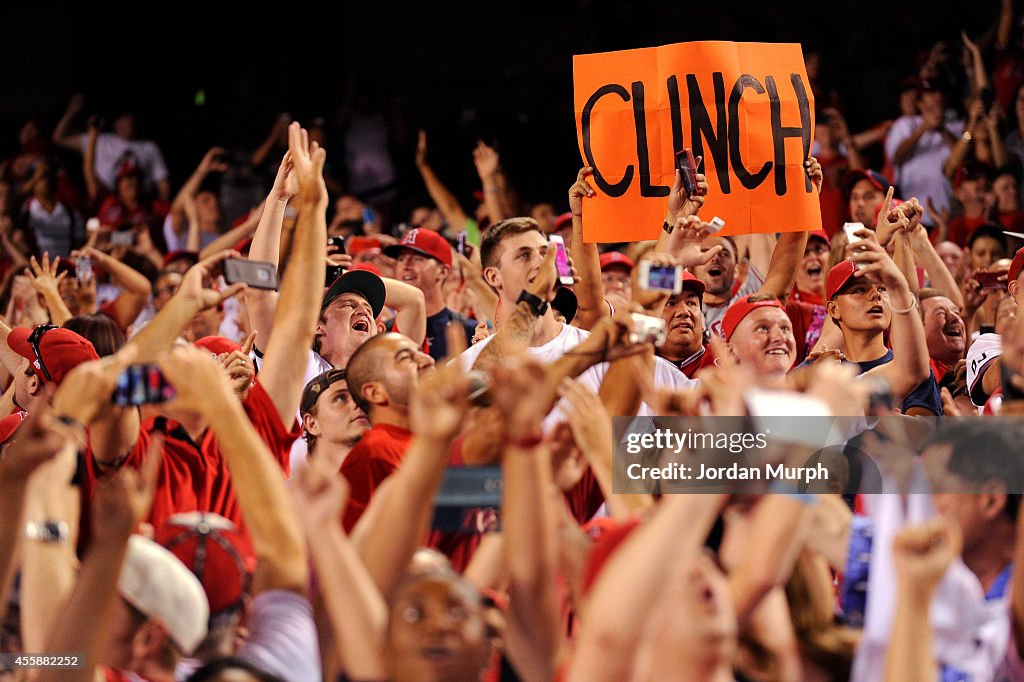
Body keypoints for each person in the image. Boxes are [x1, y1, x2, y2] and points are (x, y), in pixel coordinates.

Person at [822, 224, 936, 414]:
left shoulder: (913, 362)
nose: (875, 295)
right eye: (859, 289)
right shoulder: (819, 371)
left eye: (882, 288)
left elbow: (924, 433)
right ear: (833, 309)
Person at [339, 332, 435, 530]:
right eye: (407, 358)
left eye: (421, 352)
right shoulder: (372, 454)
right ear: (375, 392)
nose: (428, 360)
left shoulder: (442, 443)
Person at [51, 97, 171, 202]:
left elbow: (163, 183)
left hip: (141, 203)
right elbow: (59, 139)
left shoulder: (149, 147)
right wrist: (74, 113)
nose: (129, 122)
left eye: (131, 118)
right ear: (115, 122)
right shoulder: (101, 140)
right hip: (106, 199)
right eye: (124, 118)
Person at [383, 228, 476, 359]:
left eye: (417, 258)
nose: (405, 265)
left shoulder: (469, 331)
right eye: (401, 259)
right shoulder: (384, 333)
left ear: (443, 272)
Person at [885, 82, 964, 227]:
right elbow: (896, 157)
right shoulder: (906, 124)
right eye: (929, 93)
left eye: (936, 91)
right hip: (911, 214)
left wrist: (942, 129)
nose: (934, 97)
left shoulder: (956, 126)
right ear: (920, 103)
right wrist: (923, 128)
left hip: (951, 213)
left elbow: (963, 159)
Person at [299, 368, 369, 471]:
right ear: (312, 424)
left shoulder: (392, 482)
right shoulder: (282, 487)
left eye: (359, 397)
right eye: (340, 398)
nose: (357, 404)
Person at [919, 288, 966, 384]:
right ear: (918, 328)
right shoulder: (916, 374)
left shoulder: (978, 370)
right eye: (941, 313)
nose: (955, 317)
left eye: (957, 313)